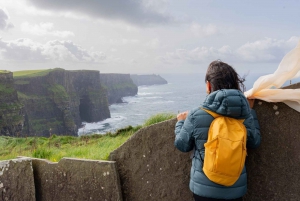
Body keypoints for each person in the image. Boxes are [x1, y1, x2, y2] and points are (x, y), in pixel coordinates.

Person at [174, 60, 261, 201]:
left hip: (203, 190)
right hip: (235, 190)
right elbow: (254, 142)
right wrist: (250, 112)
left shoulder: (196, 114)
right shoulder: (244, 114)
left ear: (208, 85)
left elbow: (182, 145)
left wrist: (180, 122)